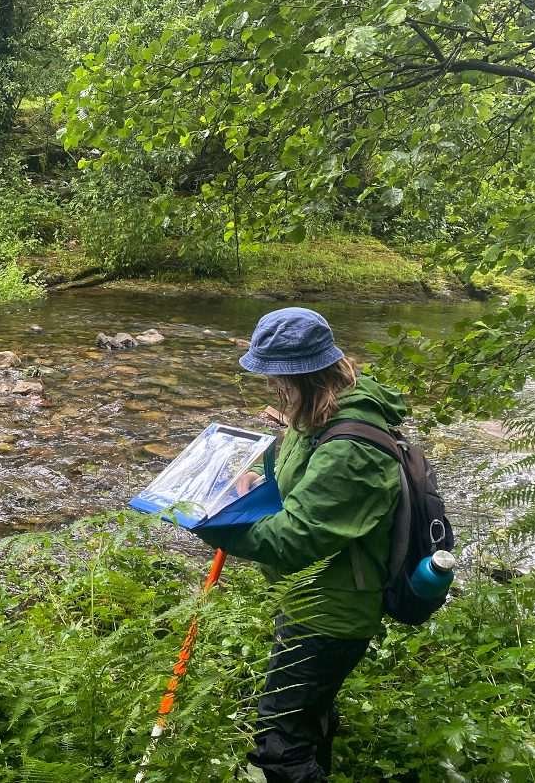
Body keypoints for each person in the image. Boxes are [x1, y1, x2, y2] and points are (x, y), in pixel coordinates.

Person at [198, 307, 406, 783]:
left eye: (275, 377)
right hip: (310, 597)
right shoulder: (315, 413)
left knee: (278, 750)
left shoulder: (352, 446)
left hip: (331, 614)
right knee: (309, 719)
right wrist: (252, 484)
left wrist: (208, 523)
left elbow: (296, 538)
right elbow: (295, 488)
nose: (271, 387)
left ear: (303, 376)